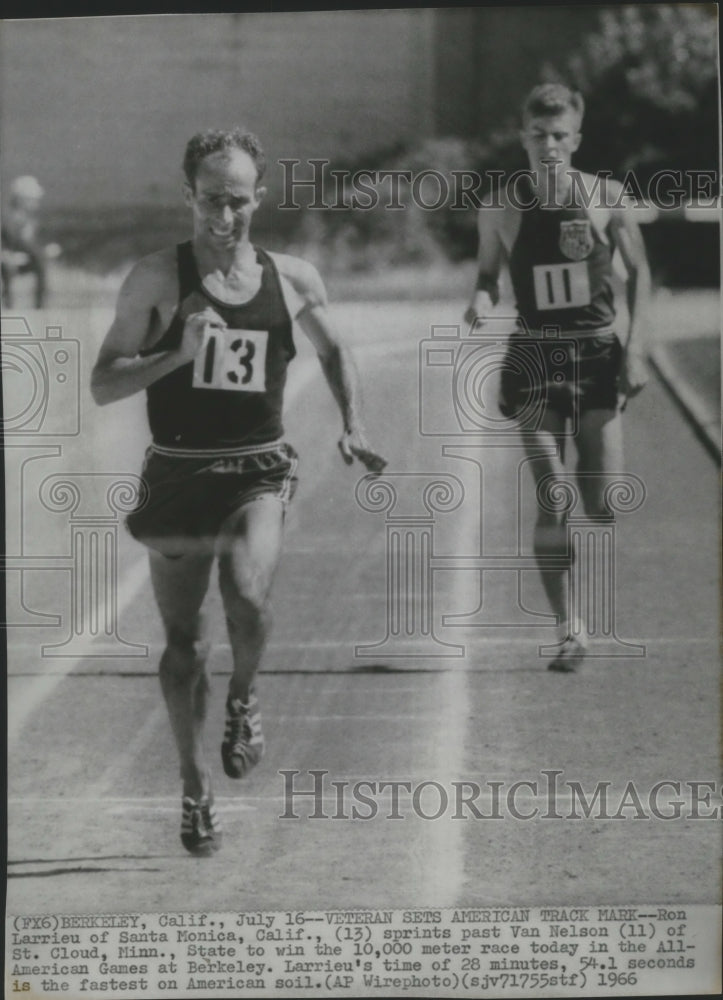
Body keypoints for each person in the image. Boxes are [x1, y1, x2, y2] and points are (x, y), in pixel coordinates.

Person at [91, 128, 386, 854]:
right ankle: (195, 793)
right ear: (188, 196)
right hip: (177, 474)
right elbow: (104, 382)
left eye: (239, 201)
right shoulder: (156, 277)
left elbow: (336, 347)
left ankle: (246, 695)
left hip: (257, 467)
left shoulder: (292, 278)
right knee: (183, 648)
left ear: (259, 197)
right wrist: (176, 353)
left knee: (249, 596)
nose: (225, 217)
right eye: (211, 201)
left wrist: (352, 424)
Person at [464, 83, 650, 673]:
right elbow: (488, 275)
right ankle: (570, 629)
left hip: (597, 357)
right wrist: (479, 299)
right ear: (523, 137)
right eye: (538, 135)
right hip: (535, 358)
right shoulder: (500, 206)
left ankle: (575, 614)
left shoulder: (605, 198)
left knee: (600, 505)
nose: (549, 146)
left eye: (560, 136)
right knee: (554, 494)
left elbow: (642, 274)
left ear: (576, 139)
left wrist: (637, 347)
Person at [1, 175, 59, 308]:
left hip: (24, 258)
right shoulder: (9, 218)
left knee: (40, 262)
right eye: (32, 199)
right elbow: (18, 241)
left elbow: (32, 242)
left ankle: (40, 305)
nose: (36, 202)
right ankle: (10, 304)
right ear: (21, 199)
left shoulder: (30, 219)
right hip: (7, 261)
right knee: (36, 259)